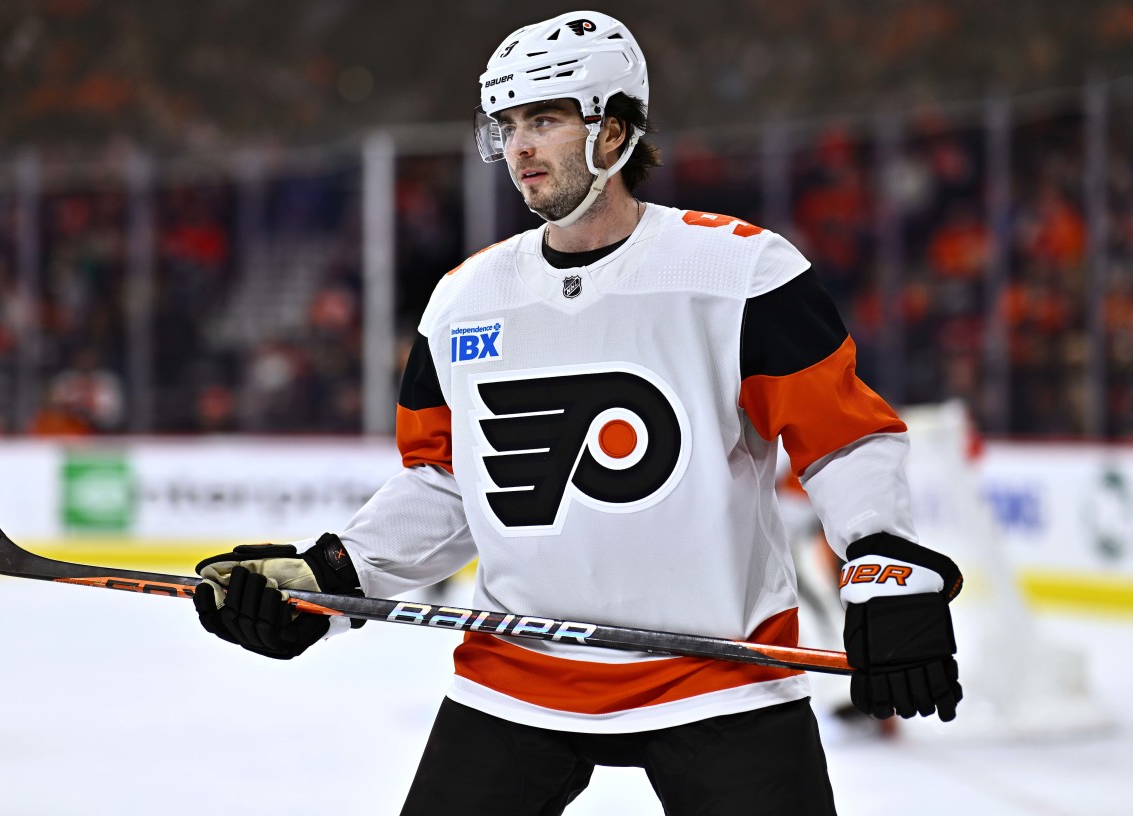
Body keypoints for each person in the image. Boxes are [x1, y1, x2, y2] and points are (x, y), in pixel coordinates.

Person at [191, 11, 963, 815]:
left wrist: (886, 567)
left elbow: (841, 439)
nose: (520, 147)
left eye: (547, 119)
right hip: (519, 676)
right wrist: (331, 577)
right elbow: (451, 481)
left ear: (617, 130)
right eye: (510, 124)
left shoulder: (739, 270)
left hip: (721, 676)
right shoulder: (462, 301)